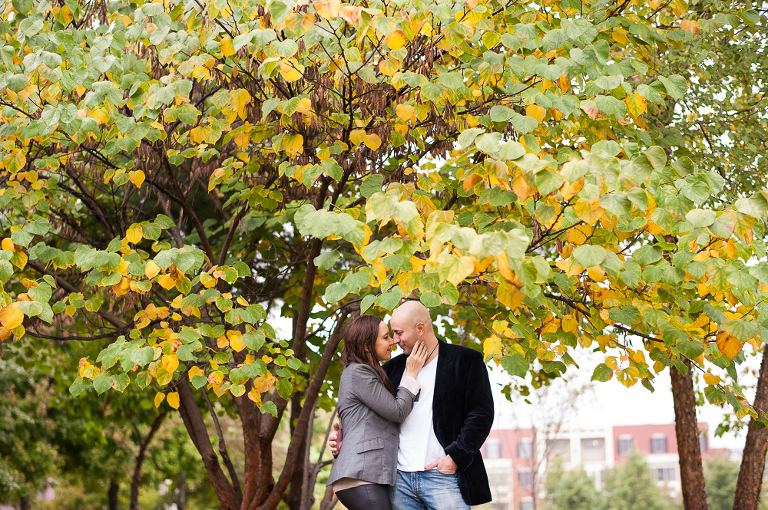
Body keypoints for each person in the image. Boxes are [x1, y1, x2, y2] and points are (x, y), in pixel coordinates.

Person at [330, 301, 495, 509]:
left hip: (443, 476)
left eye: (398, 333)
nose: (395, 340)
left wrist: (455, 457)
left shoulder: (466, 361)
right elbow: (370, 417)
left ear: (420, 328)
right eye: (391, 334)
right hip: (398, 481)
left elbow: (481, 416)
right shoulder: (391, 369)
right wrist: (344, 441)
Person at [326, 314, 429, 510]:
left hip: (367, 475)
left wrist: (343, 437)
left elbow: (362, 419)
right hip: (360, 475)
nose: (393, 341)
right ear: (367, 346)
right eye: (385, 337)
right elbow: (397, 412)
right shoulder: (358, 372)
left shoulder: (369, 372)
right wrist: (411, 373)